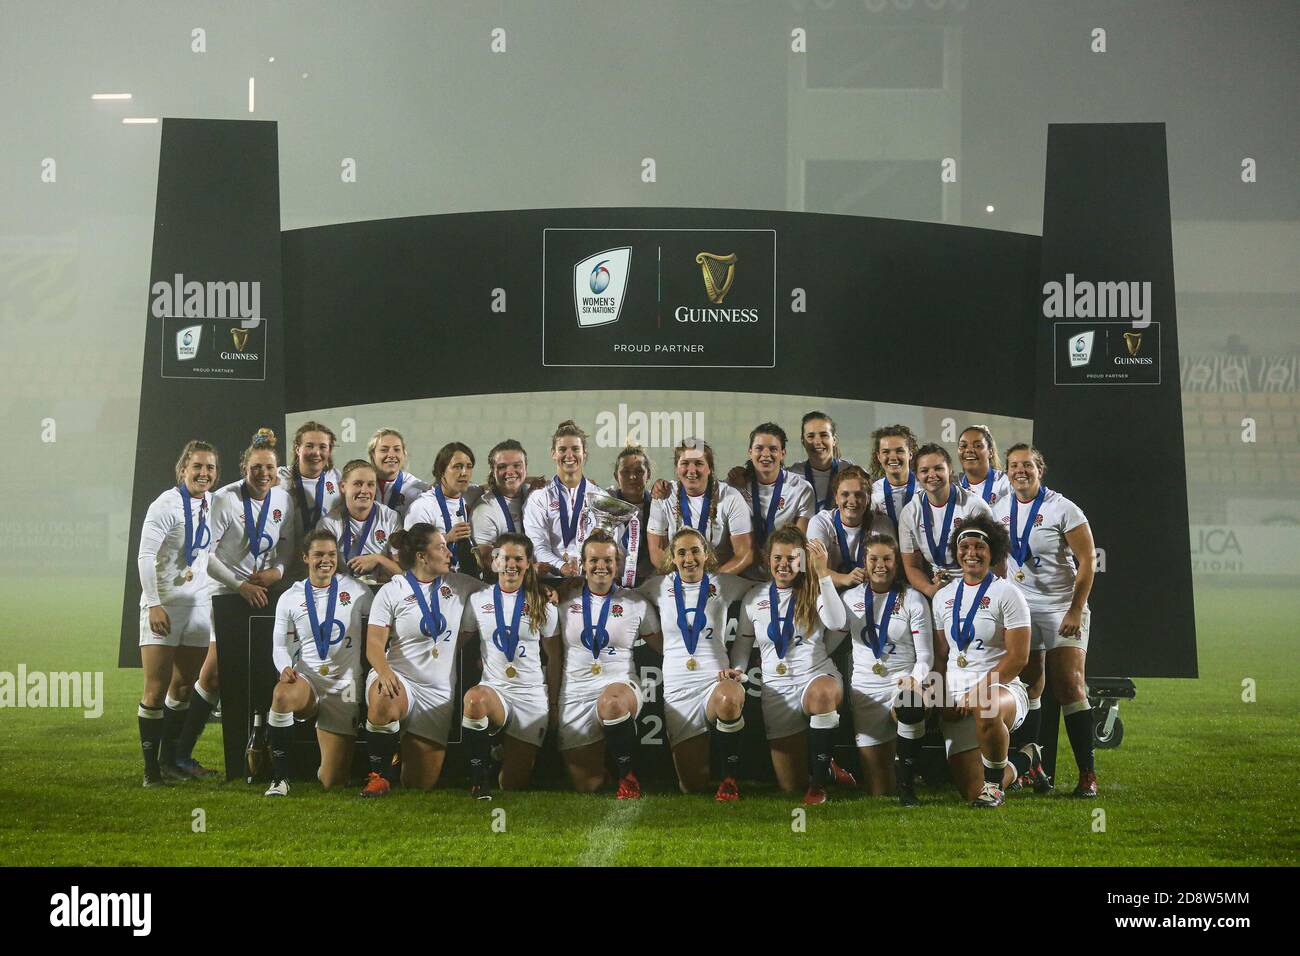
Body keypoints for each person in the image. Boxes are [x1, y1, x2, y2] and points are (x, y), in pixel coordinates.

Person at [177, 427, 294, 777]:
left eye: (270, 468)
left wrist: (278, 572)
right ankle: (180, 752)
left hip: (262, 593)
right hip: (227, 594)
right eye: (256, 467)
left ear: (277, 470)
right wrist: (238, 584)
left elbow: (288, 543)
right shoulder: (225, 500)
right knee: (213, 675)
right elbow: (205, 555)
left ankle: (255, 749)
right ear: (244, 468)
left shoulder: (283, 498)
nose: (263, 474)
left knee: (258, 670)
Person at [996, 443, 1098, 797]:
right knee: (1031, 685)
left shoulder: (1062, 508)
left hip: (1060, 607)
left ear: (1040, 469)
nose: (1020, 471)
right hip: (1021, 610)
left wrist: (1074, 609)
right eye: (1013, 465)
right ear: (1006, 471)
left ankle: (1087, 773)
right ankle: (1034, 763)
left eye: (1027, 464)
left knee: (1069, 685)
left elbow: (1088, 561)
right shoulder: (999, 508)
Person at [932, 515, 1045, 808]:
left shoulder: (1008, 594)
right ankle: (1027, 758)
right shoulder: (942, 597)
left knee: (987, 704)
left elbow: (1018, 658)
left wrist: (979, 691)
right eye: (965, 546)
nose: (971, 553)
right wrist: (943, 696)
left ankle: (994, 789)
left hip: (1001, 690)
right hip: (958, 697)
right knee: (970, 791)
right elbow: (940, 656)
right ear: (957, 552)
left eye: (979, 546)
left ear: (992, 551)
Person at [732, 528, 851, 804]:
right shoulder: (754, 598)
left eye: (791, 558)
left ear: (802, 560)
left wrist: (823, 574)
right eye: (777, 558)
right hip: (776, 687)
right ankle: (827, 770)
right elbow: (742, 643)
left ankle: (819, 784)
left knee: (822, 695)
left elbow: (837, 623)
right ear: (767, 559)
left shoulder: (814, 589)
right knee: (790, 786)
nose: (784, 564)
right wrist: (737, 670)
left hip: (815, 677)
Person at [361, 524, 481, 795]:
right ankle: (378, 776)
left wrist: (547, 591)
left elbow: (502, 596)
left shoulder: (461, 584)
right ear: (422, 556)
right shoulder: (393, 590)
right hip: (400, 677)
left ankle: (397, 754)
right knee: (385, 695)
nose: (448, 553)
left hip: (437, 692)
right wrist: (384, 672)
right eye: (441, 547)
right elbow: (374, 645)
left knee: (420, 784)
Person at [639, 529, 752, 800]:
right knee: (692, 786)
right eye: (681, 552)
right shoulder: (658, 586)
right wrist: (567, 588)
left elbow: (763, 592)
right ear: (673, 558)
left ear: (706, 554)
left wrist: (739, 666)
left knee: (729, 697)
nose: (689, 558)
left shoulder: (725, 583)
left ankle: (729, 780)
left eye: (695, 551)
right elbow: (625, 598)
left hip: (715, 679)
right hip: (679, 686)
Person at [264, 530, 374, 796]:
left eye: (331, 554)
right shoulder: (291, 596)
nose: (326, 560)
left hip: (345, 686)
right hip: (309, 680)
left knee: (333, 780)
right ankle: (280, 780)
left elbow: (380, 628)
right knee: (281, 695)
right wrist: (284, 667)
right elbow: (279, 645)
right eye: (318, 555)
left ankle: (329, 767)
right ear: (305, 558)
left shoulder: (357, 590)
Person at [554, 530, 662, 797]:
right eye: (594, 560)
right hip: (576, 692)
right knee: (588, 786)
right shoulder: (565, 600)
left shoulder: (635, 603)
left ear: (617, 565)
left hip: (620, 685)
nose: (601, 566)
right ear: (583, 564)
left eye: (608, 561)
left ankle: (627, 776)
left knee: (612, 704)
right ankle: (612, 759)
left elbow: (663, 647)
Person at [136, 440, 218, 787]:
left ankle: (171, 761)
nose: (203, 473)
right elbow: (144, 557)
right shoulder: (165, 505)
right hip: (165, 606)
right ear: (183, 468)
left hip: (198, 607)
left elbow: (208, 556)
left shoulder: (215, 503)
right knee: (155, 690)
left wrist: (241, 585)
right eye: (197, 466)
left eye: (210, 468)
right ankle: (150, 770)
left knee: (184, 686)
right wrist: (154, 602)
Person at [458, 533, 561, 798]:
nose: (511, 565)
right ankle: (478, 779)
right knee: (474, 699)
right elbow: (461, 640)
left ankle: (497, 748)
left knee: (513, 783)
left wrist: (553, 704)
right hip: (496, 690)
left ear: (529, 564)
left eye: (518, 558)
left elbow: (554, 657)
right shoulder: (478, 600)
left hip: (530, 696)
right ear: (495, 561)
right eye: (505, 558)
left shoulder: (543, 603)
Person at [838, 533, 933, 805]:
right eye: (874, 559)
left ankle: (907, 784)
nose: (881, 565)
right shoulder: (849, 598)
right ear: (864, 563)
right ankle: (899, 773)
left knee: (911, 704)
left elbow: (926, 656)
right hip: (865, 689)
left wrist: (915, 680)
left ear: (897, 563)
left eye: (888, 558)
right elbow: (831, 634)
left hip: (902, 684)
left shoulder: (913, 599)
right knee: (879, 790)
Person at [899, 443, 993, 601]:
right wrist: (931, 590)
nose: (932, 474)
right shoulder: (910, 512)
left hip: (976, 584)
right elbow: (912, 566)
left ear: (949, 469)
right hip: (937, 587)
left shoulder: (974, 507)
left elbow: (993, 560)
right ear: (916, 475)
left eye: (938, 468)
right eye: (924, 470)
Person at [647, 439, 753, 576]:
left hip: (718, 577)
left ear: (710, 468)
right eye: (685, 463)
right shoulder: (663, 495)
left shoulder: (730, 497)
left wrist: (712, 581)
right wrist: (681, 580)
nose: (691, 470)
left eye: (698, 463)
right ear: (676, 468)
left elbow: (744, 554)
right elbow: (657, 550)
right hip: (677, 576)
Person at [730, 422, 815, 576]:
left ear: (783, 453)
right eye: (759, 448)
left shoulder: (801, 489)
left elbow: (801, 544)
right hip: (743, 574)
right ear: (750, 452)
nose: (766, 454)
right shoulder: (736, 485)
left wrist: (800, 580)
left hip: (784, 573)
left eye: (773, 449)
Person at [523, 420, 605, 578]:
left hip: (592, 579)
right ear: (553, 453)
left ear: (584, 453)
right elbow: (538, 547)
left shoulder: (600, 498)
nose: (569, 455)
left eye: (575, 449)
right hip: (551, 583)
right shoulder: (539, 498)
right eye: (562, 449)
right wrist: (562, 566)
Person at [318, 459, 402, 582]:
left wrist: (378, 559)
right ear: (343, 487)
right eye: (358, 484)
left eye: (370, 484)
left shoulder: (390, 518)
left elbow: (401, 572)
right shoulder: (329, 523)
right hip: (343, 591)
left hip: (383, 590)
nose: (364, 490)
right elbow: (323, 573)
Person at [404, 442, 480, 573]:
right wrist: (446, 538)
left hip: (464, 579)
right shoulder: (423, 507)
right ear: (441, 471)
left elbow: (500, 486)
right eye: (457, 467)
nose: (464, 473)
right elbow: (409, 551)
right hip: (434, 580)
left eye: (469, 467)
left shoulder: (472, 494)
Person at [471, 439, 538, 572]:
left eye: (517, 465)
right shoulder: (485, 510)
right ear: (493, 470)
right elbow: (486, 560)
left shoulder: (537, 495)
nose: (510, 471)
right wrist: (529, 570)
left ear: (526, 466)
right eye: (502, 467)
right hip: (508, 583)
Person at [278, 421, 341, 554]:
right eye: (309, 446)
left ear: (329, 450)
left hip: (325, 560)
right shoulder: (279, 477)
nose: (316, 452)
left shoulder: (338, 478)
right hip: (287, 559)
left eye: (323, 447)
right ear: (297, 448)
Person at [806, 464, 873, 588]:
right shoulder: (821, 522)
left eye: (858, 494)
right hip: (828, 592)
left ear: (868, 498)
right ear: (836, 498)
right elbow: (814, 570)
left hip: (868, 592)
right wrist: (845, 579)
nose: (852, 501)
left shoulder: (881, 523)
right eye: (845, 494)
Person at [789, 411, 855, 512]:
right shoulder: (793, 474)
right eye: (811, 436)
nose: (818, 442)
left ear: (834, 440)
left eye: (824, 435)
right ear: (803, 441)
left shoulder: (849, 471)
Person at [608, 444, 654, 587]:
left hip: (648, 583)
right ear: (616, 476)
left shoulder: (658, 505)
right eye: (625, 472)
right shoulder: (606, 501)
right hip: (612, 583)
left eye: (639, 471)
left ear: (649, 474)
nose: (632, 477)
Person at [868, 424, 918, 537]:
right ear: (878, 456)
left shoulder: (924, 488)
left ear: (910, 454)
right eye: (886, 452)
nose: (893, 457)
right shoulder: (873, 491)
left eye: (899, 451)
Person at [368, 427, 429, 519]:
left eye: (397, 450)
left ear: (404, 454)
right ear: (373, 455)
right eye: (384, 450)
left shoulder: (419, 489)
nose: (392, 455)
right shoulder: (361, 486)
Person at [957, 424, 1011, 507]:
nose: (968, 450)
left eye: (978, 446)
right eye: (963, 446)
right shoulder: (953, 484)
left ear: (991, 452)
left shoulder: (1006, 483)